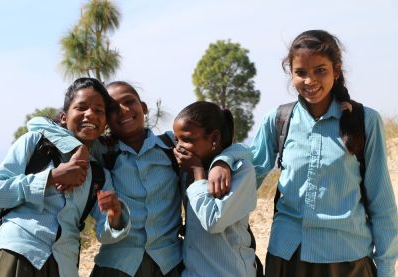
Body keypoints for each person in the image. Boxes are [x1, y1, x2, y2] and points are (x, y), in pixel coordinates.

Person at [28, 81, 239, 277]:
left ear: (144, 107)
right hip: (117, 266)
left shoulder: (171, 147)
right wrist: (79, 148)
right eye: (113, 108)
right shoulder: (103, 151)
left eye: (129, 102)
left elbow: (227, 147)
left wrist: (223, 161)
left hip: (169, 264)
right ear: (106, 120)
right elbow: (37, 124)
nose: (124, 110)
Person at [251, 30, 398, 277]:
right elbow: (248, 175)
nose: (310, 81)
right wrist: (223, 162)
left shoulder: (365, 121)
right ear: (291, 73)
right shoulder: (278, 120)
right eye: (301, 73)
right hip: (287, 258)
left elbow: (381, 202)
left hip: (347, 259)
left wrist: (385, 267)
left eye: (320, 70)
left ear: (336, 71)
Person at [0, 77, 131, 277]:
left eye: (98, 110)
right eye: (81, 107)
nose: (90, 115)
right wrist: (51, 177)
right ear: (63, 117)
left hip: (64, 266)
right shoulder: (35, 143)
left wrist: (114, 215)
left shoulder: (99, 175)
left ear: (104, 124)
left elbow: (106, 233)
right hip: (17, 252)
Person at [172, 101, 257, 277]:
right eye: (176, 139)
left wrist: (198, 172)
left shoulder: (240, 170)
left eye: (187, 139)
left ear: (214, 139)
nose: (178, 147)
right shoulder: (188, 166)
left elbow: (213, 222)